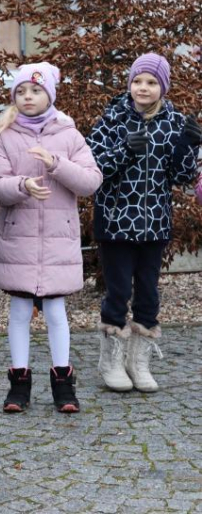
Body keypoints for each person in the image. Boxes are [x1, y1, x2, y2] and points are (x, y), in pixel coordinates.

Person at [0, 62, 102, 413]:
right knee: (19, 310)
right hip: (19, 240)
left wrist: (56, 165)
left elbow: (90, 180)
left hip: (56, 242)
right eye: (21, 91)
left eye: (35, 91)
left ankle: (63, 382)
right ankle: (19, 381)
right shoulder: (3, 136)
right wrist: (22, 186)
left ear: (49, 94)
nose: (28, 97)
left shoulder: (69, 135)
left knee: (55, 312)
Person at [87, 53, 200, 392]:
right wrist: (124, 149)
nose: (143, 88)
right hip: (116, 221)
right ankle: (112, 362)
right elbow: (93, 167)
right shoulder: (113, 118)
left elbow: (180, 177)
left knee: (149, 294)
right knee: (118, 292)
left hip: (154, 224)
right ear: (129, 83)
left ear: (162, 87)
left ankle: (139, 362)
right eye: (138, 81)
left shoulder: (174, 122)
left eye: (151, 82)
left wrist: (188, 145)